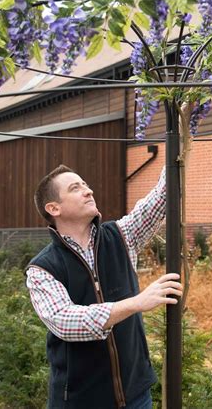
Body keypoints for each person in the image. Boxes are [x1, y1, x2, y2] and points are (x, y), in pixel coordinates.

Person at [25, 164, 182, 408]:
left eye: (86, 185)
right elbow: (65, 321)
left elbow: (162, 197)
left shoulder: (121, 235)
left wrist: (183, 137)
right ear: (54, 208)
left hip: (136, 395)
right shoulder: (42, 269)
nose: (88, 191)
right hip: (81, 401)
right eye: (76, 188)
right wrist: (136, 303)